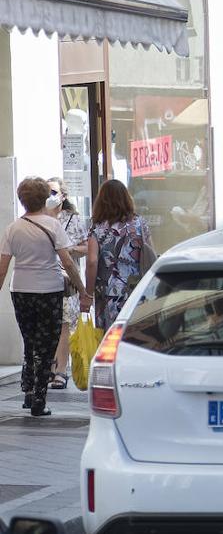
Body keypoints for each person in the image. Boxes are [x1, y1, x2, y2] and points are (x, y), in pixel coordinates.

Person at [0, 177, 87, 415]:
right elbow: (67, 262)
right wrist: (82, 289)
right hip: (48, 290)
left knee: (29, 341)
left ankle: (28, 391)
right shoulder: (53, 226)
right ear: (44, 199)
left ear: (22, 200)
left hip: (20, 290)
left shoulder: (13, 228)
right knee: (46, 344)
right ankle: (39, 398)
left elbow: (3, 266)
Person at [87, 180, 153, 330]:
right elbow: (150, 254)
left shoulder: (97, 228)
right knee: (135, 334)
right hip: (136, 288)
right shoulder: (140, 224)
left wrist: (88, 293)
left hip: (107, 292)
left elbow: (92, 261)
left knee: (110, 338)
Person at [46, 177, 89, 390]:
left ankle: (60, 371)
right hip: (43, 280)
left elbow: (87, 247)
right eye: (46, 192)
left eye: (53, 192)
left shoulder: (72, 219)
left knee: (63, 326)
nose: (49, 197)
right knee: (48, 327)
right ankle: (49, 368)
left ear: (63, 196)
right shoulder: (38, 218)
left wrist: (69, 250)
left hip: (65, 281)